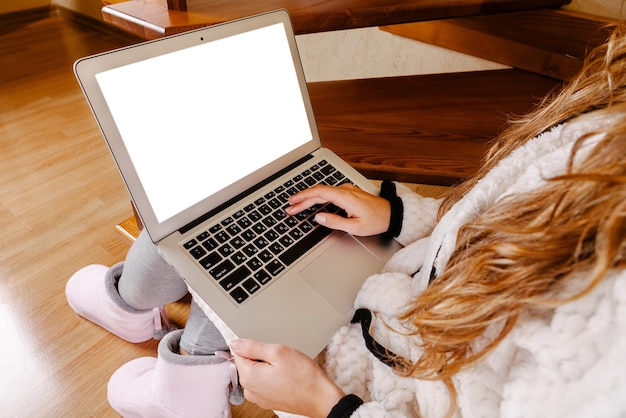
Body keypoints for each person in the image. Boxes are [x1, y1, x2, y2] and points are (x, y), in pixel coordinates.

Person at [67, 23, 626, 418]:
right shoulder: (610, 127)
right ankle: (151, 329)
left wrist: (322, 403)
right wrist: (396, 215)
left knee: (208, 246)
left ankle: (166, 361)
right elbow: (502, 227)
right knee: (217, 221)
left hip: (370, 384)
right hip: (404, 289)